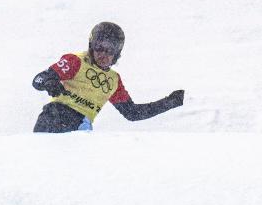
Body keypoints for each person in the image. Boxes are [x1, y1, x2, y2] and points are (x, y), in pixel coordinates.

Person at [31, 21, 184, 133]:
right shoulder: (76, 61)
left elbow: (132, 113)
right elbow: (38, 79)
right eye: (99, 47)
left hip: (82, 126)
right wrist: (50, 81)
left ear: (117, 54)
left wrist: (171, 102)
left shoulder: (114, 80)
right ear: (91, 46)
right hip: (55, 117)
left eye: (110, 50)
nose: (103, 54)